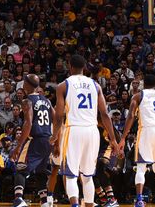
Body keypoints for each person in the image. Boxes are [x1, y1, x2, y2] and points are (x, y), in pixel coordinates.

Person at [51, 55, 119, 207]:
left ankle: (75, 205)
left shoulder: (63, 85)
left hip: (74, 130)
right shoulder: (96, 85)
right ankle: (89, 204)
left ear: (70, 66)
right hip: (92, 131)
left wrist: (55, 135)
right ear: (85, 68)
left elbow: (59, 115)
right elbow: (105, 114)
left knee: (70, 176)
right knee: (87, 175)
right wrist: (113, 140)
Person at [118, 73, 155, 207]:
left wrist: (123, 137)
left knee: (141, 167)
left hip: (147, 130)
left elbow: (130, 115)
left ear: (143, 84)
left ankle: (140, 199)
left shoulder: (138, 95)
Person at [10, 74, 52, 207]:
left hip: (35, 139)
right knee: (40, 171)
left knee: (20, 168)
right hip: (48, 140)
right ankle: (44, 201)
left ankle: (18, 199)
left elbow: (28, 124)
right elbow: (57, 118)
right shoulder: (47, 100)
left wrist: (18, 146)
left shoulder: (26, 101)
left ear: (26, 84)